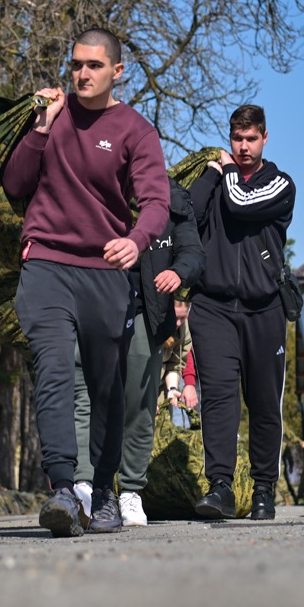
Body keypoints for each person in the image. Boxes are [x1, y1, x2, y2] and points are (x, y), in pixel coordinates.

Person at [2, 28, 170, 537]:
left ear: (117, 71)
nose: (82, 74)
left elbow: (157, 203)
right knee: (53, 369)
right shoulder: (51, 118)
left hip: (105, 271)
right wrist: (38, 127)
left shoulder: (136, 131)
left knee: (106, 387)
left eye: (94, 66)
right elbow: (15, 185)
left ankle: (101, 493)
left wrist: (137, 241)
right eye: (75, 64)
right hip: (46, 264)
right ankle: (60, 489)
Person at [73, 179, 204, 526]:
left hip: (146, 310)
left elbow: (192, 251)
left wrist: (179, 271)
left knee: (138, 404)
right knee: (86, 395)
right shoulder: (90, 184)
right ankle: (84, 487)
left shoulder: (174, 200)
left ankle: (130, 490)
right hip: (94, 304)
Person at [188, 104, 296, 521]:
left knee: (264, 402)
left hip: (263, 306)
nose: (244, 147)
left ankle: (265, 490)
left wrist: (227, 171)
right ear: (229, 137)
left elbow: (241, 205)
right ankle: (220, 488)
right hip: (212, 305)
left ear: (265, 138)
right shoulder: (218, 177)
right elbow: (190, 213)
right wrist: (212, 173)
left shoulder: (280, 184)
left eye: (251, 139)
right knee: (218, 398)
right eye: (237, 139)